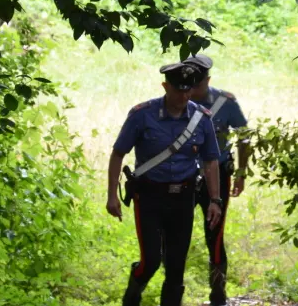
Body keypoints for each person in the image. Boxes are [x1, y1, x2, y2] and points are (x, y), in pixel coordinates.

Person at [105, 61, 224, 306]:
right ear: (165, 86)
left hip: (183, 198)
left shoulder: (201, 119)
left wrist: (215, 199)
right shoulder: (142, 114)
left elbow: (211, 160)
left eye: (188, 90)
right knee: (150, 261)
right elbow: (118, 153)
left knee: (176, 265)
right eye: (178, 89)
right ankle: (132, 297)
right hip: (149, 197)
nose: (183, 95)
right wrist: (111, 196)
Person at [184, 54, 250, 306]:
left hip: (218, 174)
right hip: (183, 175)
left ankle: (218, 293)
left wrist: (242, 173)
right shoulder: (177, 101)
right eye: (188, 83)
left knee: (216, 234)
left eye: (197, 85)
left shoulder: (225, 102)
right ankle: (173, 288)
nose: (192, 90)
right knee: (175, 231)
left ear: (208, 80)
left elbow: (244, 137)